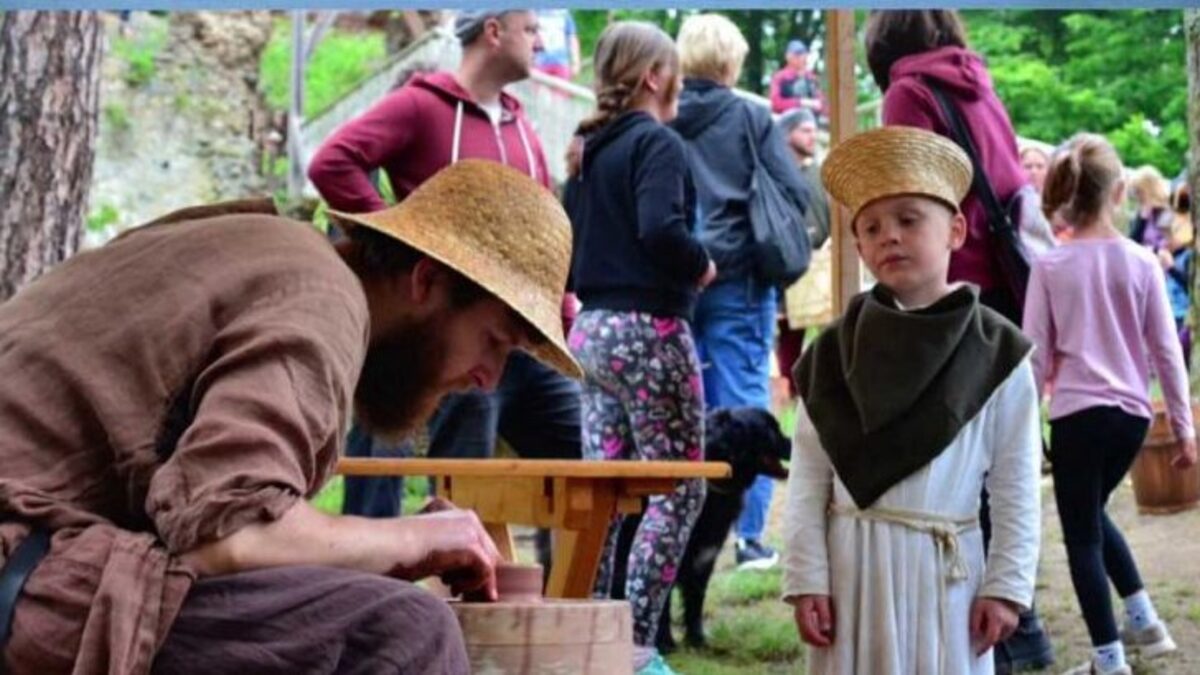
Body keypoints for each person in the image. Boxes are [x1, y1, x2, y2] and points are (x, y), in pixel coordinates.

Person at [0, 161, 580, 674]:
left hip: (38, 548)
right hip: (24, 564)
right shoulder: (322, 300)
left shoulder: (275, 255)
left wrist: (391, 546)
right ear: (426, 280)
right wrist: (409, 538)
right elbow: (227, 538)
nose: (489, 379)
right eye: (494, 342)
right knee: (402, 631)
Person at [782, 126, 1042, 675]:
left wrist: (1005, 585)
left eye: (907, 219)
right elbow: (808, 476)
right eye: (872, 227)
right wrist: (807, 577)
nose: (889, 237)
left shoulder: (996, 351)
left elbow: (1016, 484)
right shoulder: (831, 353)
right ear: (858, 247)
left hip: (943, 577)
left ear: (955, 230)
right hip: (850, 574)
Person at [308, 10, 583, 524]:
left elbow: (545, 226)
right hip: (456, 327)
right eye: (530, 28)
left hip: (521, 338)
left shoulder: (523, 125)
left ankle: (575, 592)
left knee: (583, 462)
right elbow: (331, 162)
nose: (541, 39)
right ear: (493, 32)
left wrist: (561, 307)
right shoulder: (421, 106)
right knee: (466, 484)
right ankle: (448, 592)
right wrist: (402, 246)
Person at [865, 12, 1055, 670]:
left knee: (960, 469)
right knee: (1008, 460)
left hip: (956, 294)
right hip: (1004, 296)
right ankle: (1019, 627)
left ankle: (1003, 633)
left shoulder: (907, 91)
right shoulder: (979, 84)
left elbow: (912, 192)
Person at [562, 21, 714, 675]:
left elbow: (566, 252)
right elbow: (661, 228)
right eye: (673, 69)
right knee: (677, 490)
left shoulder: (588, 152)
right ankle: (635, 648)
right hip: (649, 333)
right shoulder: (658, 143)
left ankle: (592, 640)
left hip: (591, 333)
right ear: (654, 76)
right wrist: (700, 263)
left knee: (611, 492)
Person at [1024, 134, 1197, 675]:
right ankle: (1145, 619)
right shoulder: (1145, 261)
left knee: (1081, 536)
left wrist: (1026, 432)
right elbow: (1167, 353)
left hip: (1077, 416)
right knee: (1091, 516)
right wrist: (1186, 429)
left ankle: (1109, 660)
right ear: (1119, 192)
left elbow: (1034, 356)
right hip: (1132, 419)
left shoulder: (1050, 267)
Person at [671, 13, 813, 571]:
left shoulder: (665, 115)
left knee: (691, 410)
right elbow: (794, 189)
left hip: (679, 276)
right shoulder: (753, 117)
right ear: (732, 61)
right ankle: (750, 539)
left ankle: (687, 531)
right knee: (747, 405)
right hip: (740, 278)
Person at [776, 107, 831, 396]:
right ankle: (791, 392)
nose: (812, 136)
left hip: (822, 261)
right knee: (789, 331)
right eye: (805, 130)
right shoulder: (775, 173)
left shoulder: (820, 173)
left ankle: (826, 391)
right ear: (787, 134)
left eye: (813, 130)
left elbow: (831, 213)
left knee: (829, 329)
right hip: (790, 262)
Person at [769, 39, 826, 118]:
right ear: (788, 57)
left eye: (804, 53)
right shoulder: (779, 77)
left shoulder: (811, 77)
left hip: (810, 123)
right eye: (797, 54)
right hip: (788, 124)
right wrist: (801, 103)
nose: (802, 57)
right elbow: (776, 104)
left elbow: (821, 104)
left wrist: (819, 106)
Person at [1127, 165, 1173, 252]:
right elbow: (1133, 242)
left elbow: (1168, 244)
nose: (1137, 196)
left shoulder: (1167, 211)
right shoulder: (1143, 212)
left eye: (1139, 191)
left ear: (1150, 189)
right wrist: (1142, 219)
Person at [533, 9, 581, 80]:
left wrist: (576, 62)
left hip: (561, 63)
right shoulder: (534, 13)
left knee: (562, 90)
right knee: (539, 90)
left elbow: (572, 37)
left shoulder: (564, 14)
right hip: (540, 63)